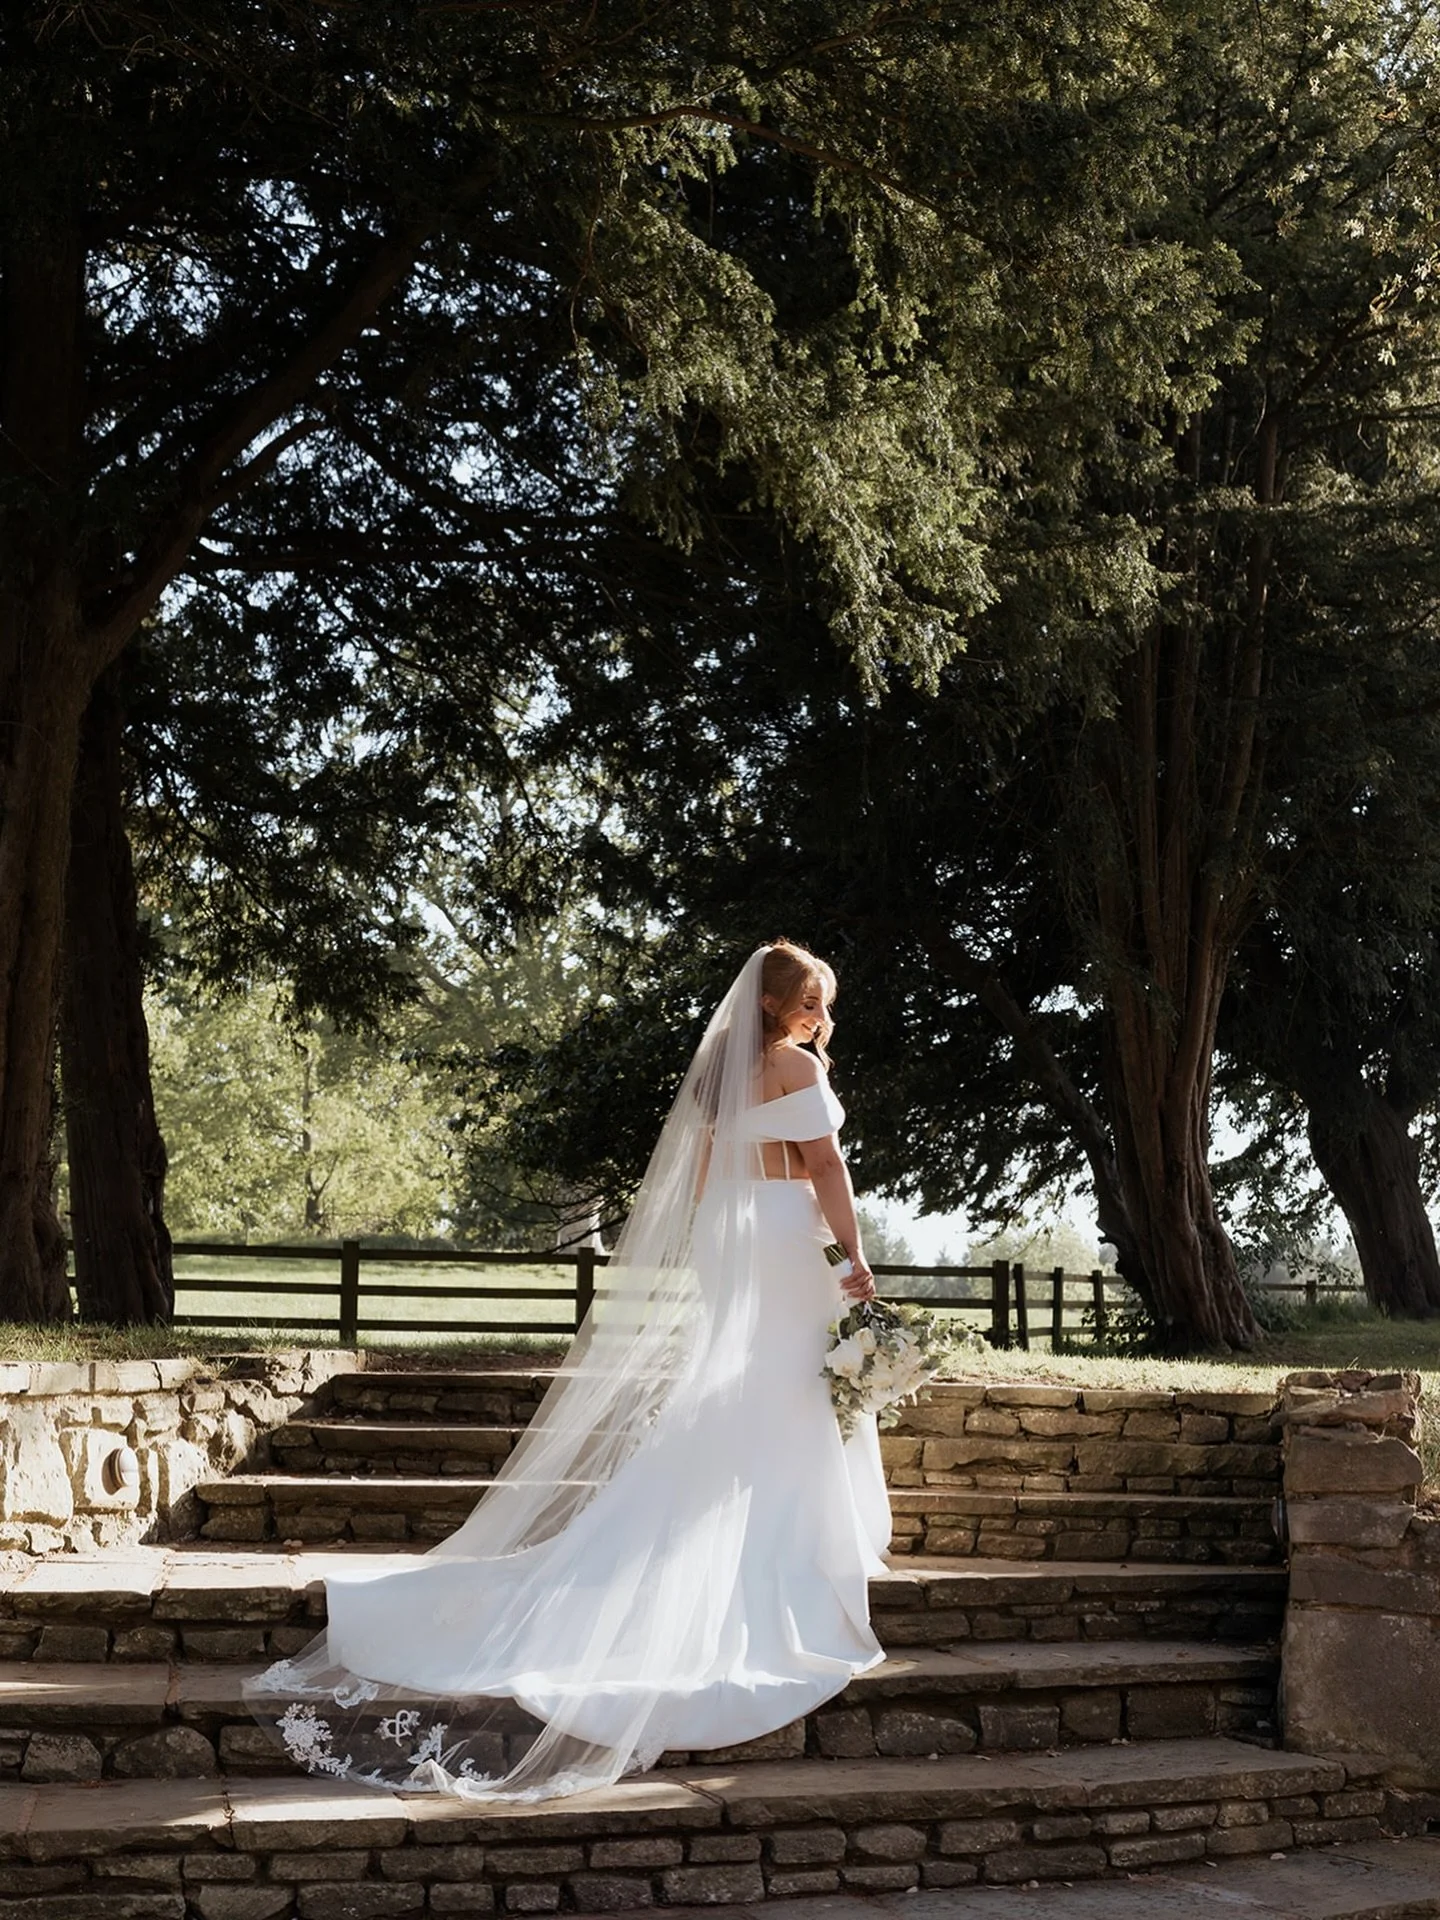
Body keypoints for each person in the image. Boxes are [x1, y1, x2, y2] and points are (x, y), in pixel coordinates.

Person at [245, 940, 893, 1801]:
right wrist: (852, 1254)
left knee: (762, 1385)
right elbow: (825, 1166)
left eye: (823, 1000)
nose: (820, 1014)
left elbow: (703, 1177)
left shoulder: (721, 1076)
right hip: (783, 1232)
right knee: (790, 1385)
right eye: (811, 999)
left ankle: (774, 1527)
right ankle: (802, 1542)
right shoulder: (795, 1071)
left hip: (735, 1234)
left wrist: (724, 1252)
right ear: (778, 1004)